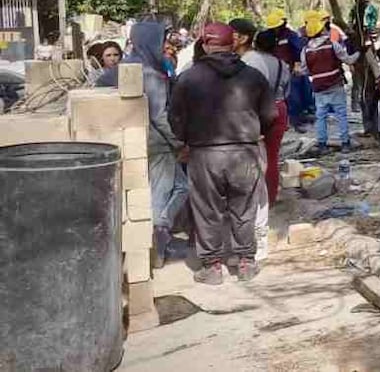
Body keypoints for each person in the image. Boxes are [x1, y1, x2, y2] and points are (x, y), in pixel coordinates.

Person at [170, 23, 275, 284]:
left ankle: (213, 267)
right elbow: (270, 114)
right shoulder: (253, 76)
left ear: (205, 45)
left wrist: (185, 140)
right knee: (244, 207)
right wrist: (254, 131)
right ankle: (246, 263)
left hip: (205, 154)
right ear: (233, 44)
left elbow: (175, 117)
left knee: (207, 210)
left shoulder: (188, 77)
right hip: (244, 152)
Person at [97, 22, 187, 269]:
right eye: (161, 40)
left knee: (160, 191)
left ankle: (154, 240)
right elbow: (159, 116)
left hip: (124, 143)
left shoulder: (118, 69)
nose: (164, 45)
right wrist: (180, 144)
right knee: (168, 192)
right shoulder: (150, 73)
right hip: (155, 145)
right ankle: (156, 244)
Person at [239, 25, 290, 207]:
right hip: (279, 107)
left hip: (260, 110)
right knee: (273, 156)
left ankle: (256, 199)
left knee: (256, 155)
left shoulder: (251, 61)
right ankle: (271, 196)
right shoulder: (281, 64)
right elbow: (287, 88)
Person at [301, 10, 359, 154]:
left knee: (321, 116)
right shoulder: (332, 45)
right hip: (335, 84)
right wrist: (360, 52)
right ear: (322, 30)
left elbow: (305, 71)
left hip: (319, 88)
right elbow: (348, 60)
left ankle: (322, 145)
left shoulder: (305, 51)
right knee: (341, 115)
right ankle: (345, 143)